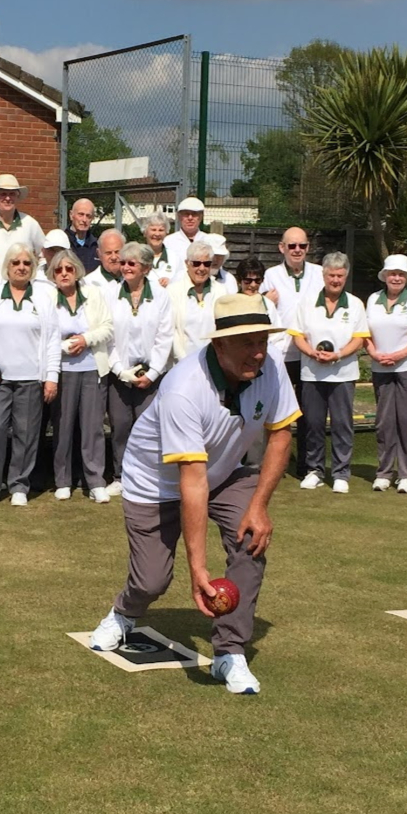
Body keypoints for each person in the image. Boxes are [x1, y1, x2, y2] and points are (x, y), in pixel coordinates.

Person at [89, 293, 301, 696]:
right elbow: (192, 481)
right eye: (247, 343)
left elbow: (281, 433)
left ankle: (229, 651)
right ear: (219, 344)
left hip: (224, 471)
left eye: (262, 340)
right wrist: (199, 571)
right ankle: (124, 612)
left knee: (251, 540)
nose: (258, 353)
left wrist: (258, 507)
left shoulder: (269, 368)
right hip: (153, 483)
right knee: (152, 581)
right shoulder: (184, 388)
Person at [0, 243, 57, 505]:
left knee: (27, 432)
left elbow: (53, 339)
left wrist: (51, 376)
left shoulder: (43, 298)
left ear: (33, 267)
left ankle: (19, 485)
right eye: (16, 263)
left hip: (31, 378)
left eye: (27, 263)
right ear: (7, 267)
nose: (21, 267)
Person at [289, 252, 366, 494]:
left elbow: (360, 339)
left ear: (346, 276)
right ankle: (315, 470)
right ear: (323, 275)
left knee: (342, 424)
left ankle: (341, 472)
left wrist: (339, 354)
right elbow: (297, 335)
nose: (335, 280)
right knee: (313, 423)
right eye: (331, 275)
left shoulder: (355, 304)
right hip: (312, 373)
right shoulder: (307, 302)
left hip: (343, 373)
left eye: (340, 276)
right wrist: (311, 353)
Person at [105, 241, 175, 493]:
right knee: (121, 426)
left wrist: (154, 372)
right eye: (123, 263)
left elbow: (164, 336)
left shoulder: (161, 296)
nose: (125, 267)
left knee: (148, 428)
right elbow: (108, 335)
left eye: (131, 263)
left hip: (151, 375)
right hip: (120, 375)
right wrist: (118, 370)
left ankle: (148, 477)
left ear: (145, 267)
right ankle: (120, 477)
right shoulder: (111, 294)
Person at [365, 253, 407, 493]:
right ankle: (384, 472)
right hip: (381, 368)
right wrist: (374, 354)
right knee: (384, 422)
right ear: (385, 276)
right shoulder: (373, 299)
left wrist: (400, 354)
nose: (396, 277)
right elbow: (365, 333)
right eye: (392, 273)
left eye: (401, 274)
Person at [47, 249, 113, 503]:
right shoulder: (48, 297)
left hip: (92, 369)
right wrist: (64, 346)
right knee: (62, 427)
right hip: (62, 371)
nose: (64, 273)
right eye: (58, 270)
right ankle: (62, 480)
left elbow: (107, 327)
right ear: (53, 274)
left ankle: (95, 481)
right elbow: (44, 335)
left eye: (69, 269)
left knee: (93, 427)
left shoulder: (94, 294)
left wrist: (86, 339)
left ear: (77, 270)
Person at [262, 226, 321, 399]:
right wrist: (267, 301)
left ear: (308, 247)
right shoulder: (271, 275)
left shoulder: (319, 273)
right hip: (281, 352)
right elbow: (262, 310)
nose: (297, 250)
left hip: (310, 352)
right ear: (282, 247)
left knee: (308, 408)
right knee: (279, 405)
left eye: (302, 246)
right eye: (292, 246)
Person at [169, 239, 235, 360]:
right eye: (196, 263)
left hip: (213, 360)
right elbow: (171, 332)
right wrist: (184, 360)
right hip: (182, 362)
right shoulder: (172, 292)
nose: (202, 268)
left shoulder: (221, 291)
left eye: (207, 264)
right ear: (187, 263)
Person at [161, 197, 224, 278]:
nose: (190, 218)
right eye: (186, 214)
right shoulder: (169, 241)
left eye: (194, 214)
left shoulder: (208, 240)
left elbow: (216, 268)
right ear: (180, 217)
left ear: (200, 217)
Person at [85, 228, 124, 305]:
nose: (113, 257)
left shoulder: (134, 280)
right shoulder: (88, 284)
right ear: (99, 254)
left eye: (117, 252)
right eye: (108, 253)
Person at [64, 197, 100, 273]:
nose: (84, 220)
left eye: (88, 216)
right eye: (81, 214)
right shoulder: (61, 242)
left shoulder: (97, 245)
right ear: (71, 215)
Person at [142, 214, 175, 288]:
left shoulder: (174, 258)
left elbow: (181, 282)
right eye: (153, 230)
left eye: (161, 230)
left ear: (166, 233)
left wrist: (171, 283)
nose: (157, 234)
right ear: (145, 233)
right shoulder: (136, 255)